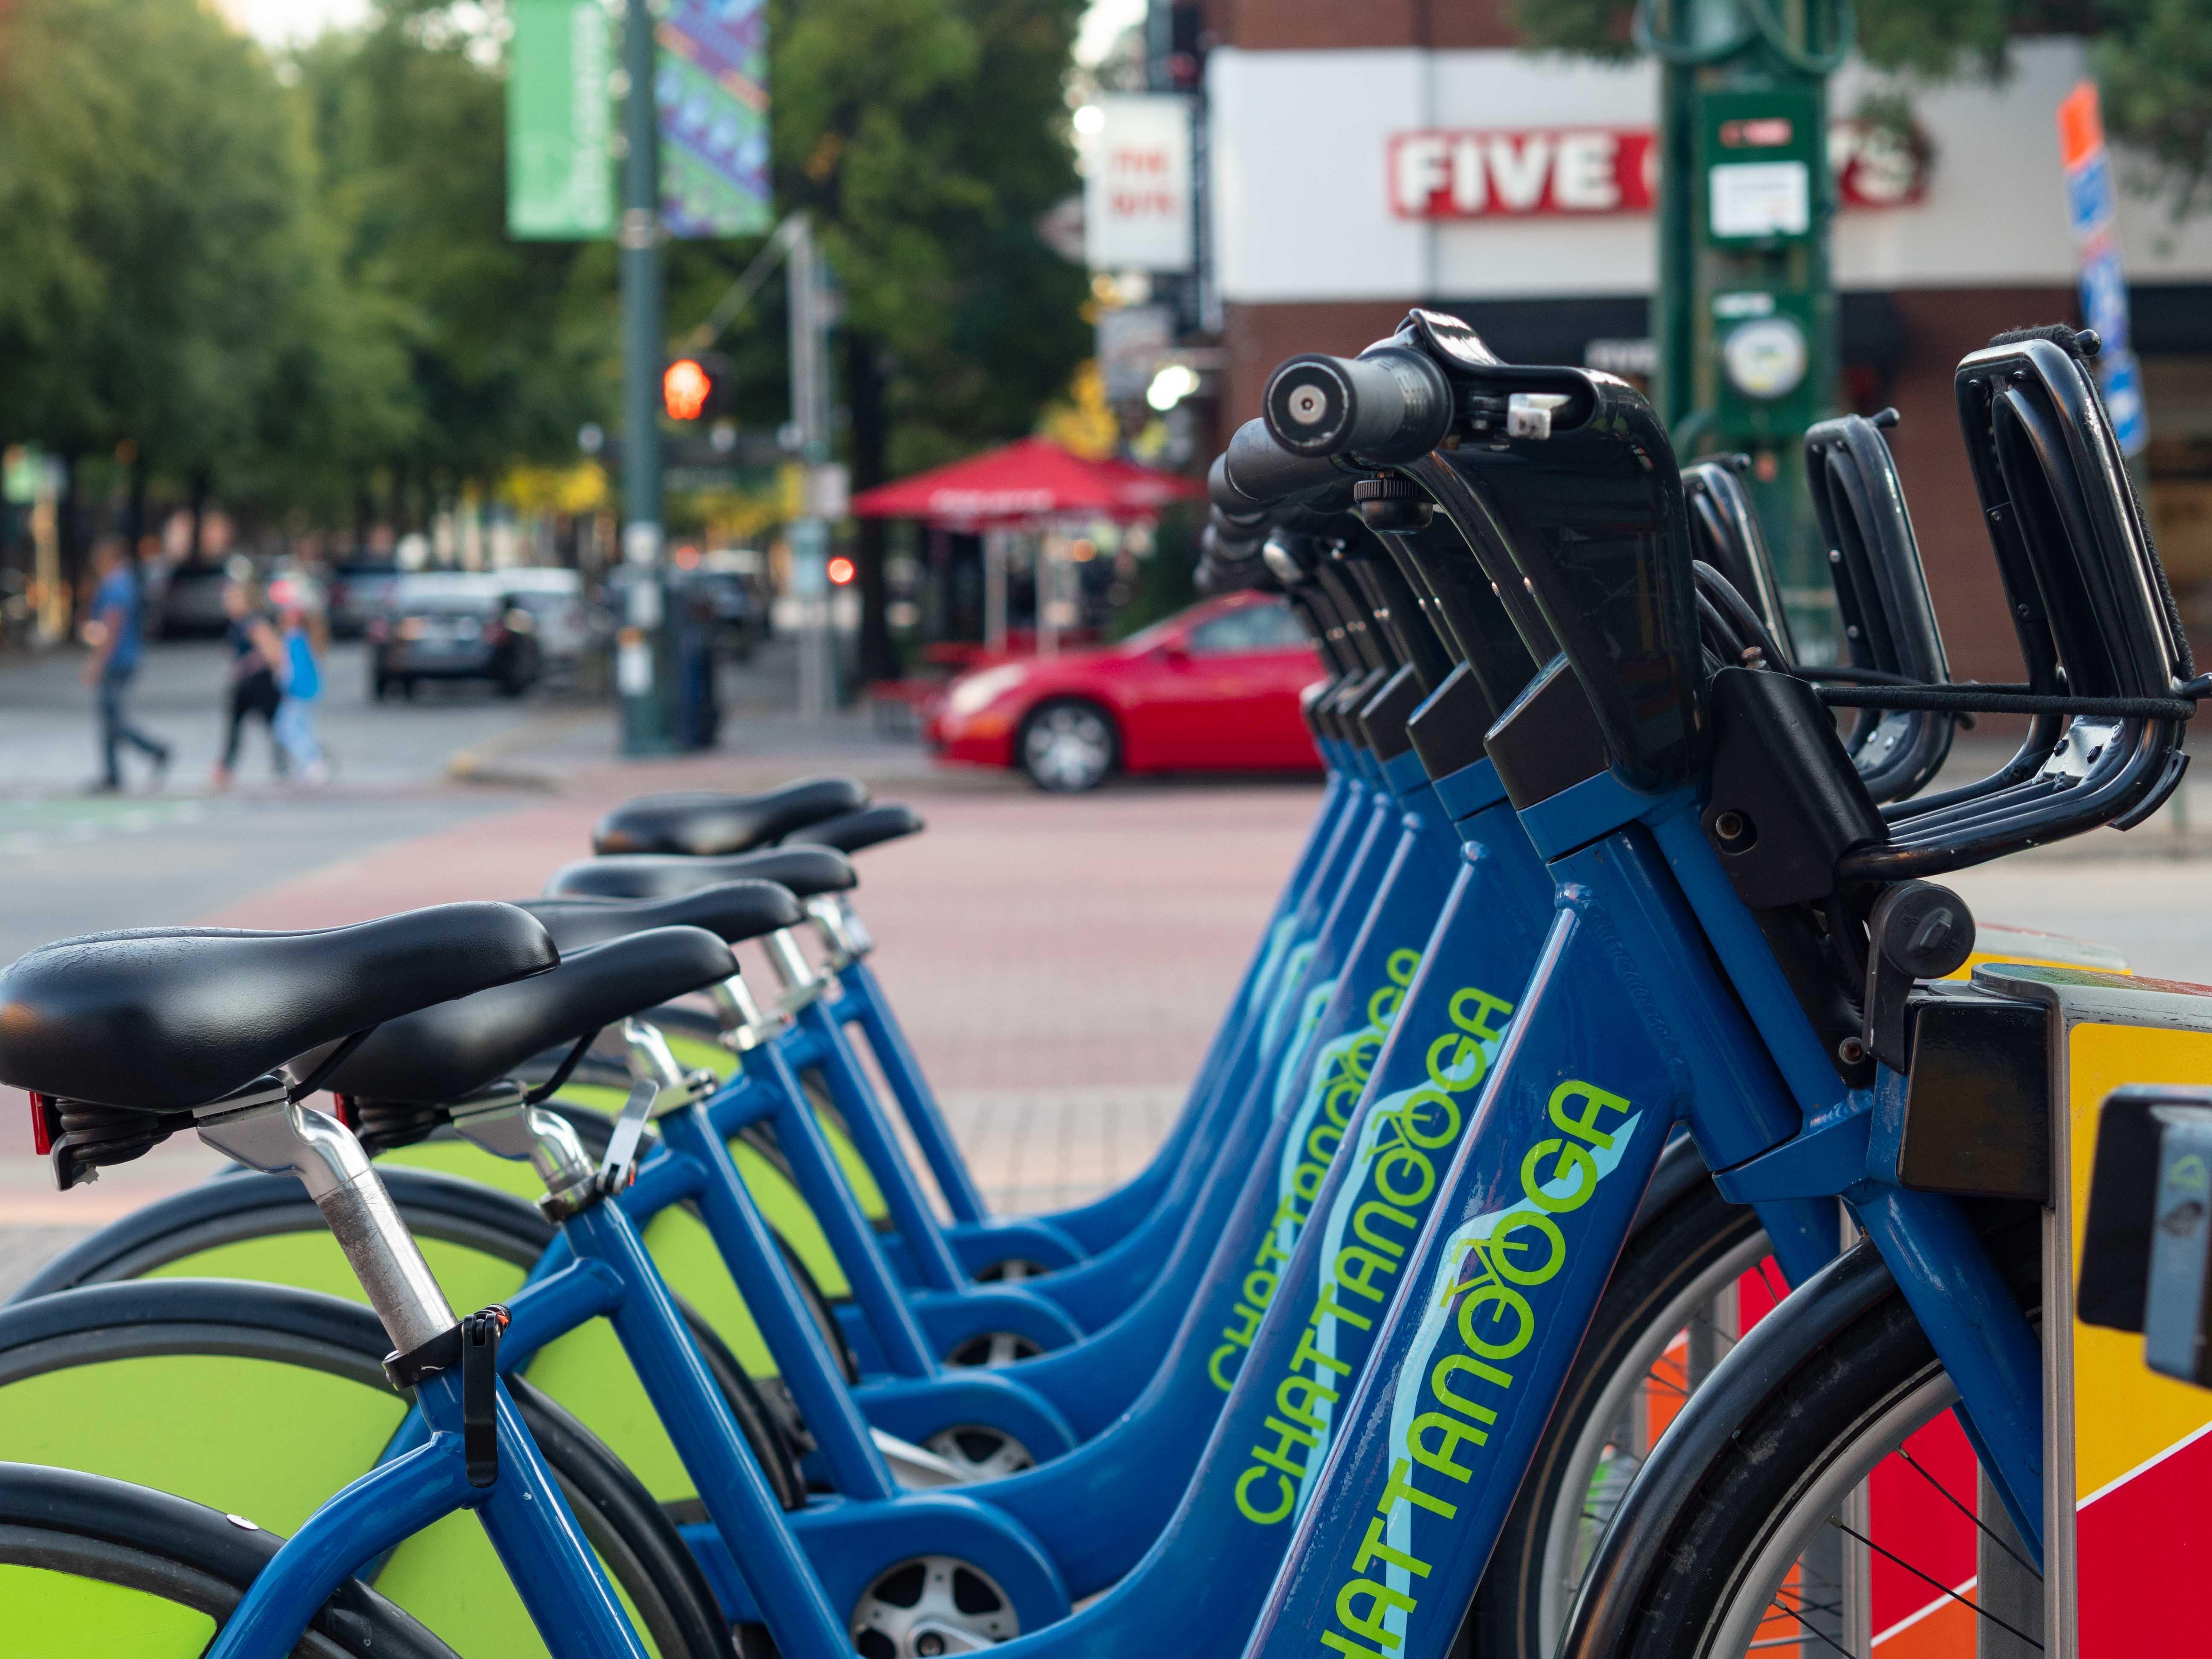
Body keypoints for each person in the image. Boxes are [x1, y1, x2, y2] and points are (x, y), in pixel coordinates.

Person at [81, 538, 171, 793]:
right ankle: (113, 774)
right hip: (127, 657)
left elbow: (112, 626)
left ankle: (155, 751)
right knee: (110, 717)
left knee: (112, 720)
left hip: (116, 659)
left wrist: (96, 662)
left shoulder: (115, 585)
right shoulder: (128, 582)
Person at [212, 569, 287, 789]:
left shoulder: (253, 621)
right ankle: (226, 768)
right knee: (235, 727)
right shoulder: (237, 623)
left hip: (261, 683)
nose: (228, 602)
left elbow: (273, 651)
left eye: (233, 598)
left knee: (275, 725)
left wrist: (265, 668)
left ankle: (286, 765)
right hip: (245, 685)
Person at [272, 598, 328, 786]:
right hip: (307, 690)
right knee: (299, 727)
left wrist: (284, 685)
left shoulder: (294, 639)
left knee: (289, 729)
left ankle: (313, 762)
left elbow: (291, 669)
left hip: (297, 692)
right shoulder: (306, 638)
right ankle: (310, 762)